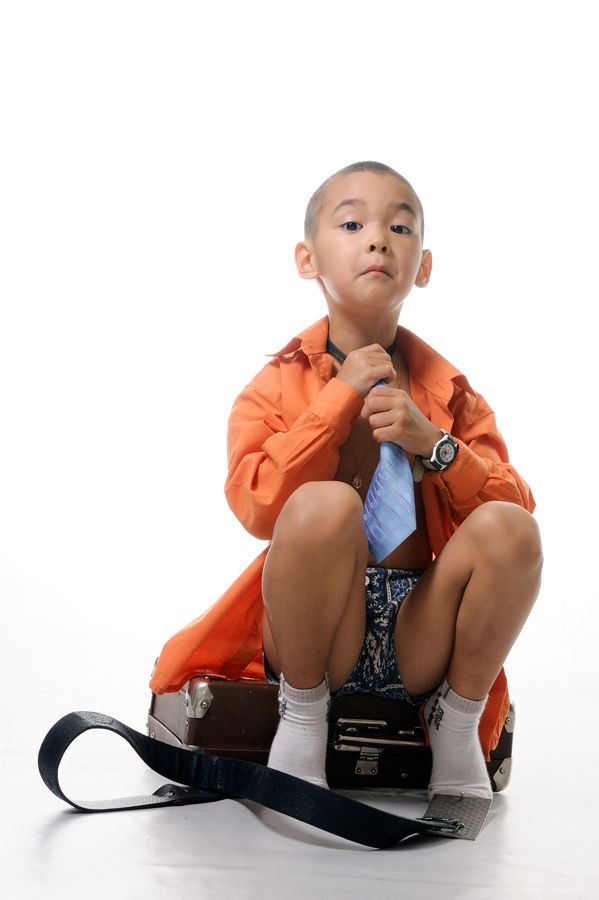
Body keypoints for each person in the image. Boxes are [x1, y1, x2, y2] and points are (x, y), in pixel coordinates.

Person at [149, 160, 543, 804]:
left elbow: (517, 516)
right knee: (324, 504)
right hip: (316, 627)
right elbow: (258, 505)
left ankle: (455, 720)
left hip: (421, 629)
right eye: (353, 225)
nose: (379, 240)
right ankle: (303, 717)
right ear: (308, 260)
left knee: (511, 528)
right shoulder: (274, 386)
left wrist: (435, 445)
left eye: (400, 228)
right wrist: (338, 400)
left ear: (423, 267)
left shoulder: (451, 394)